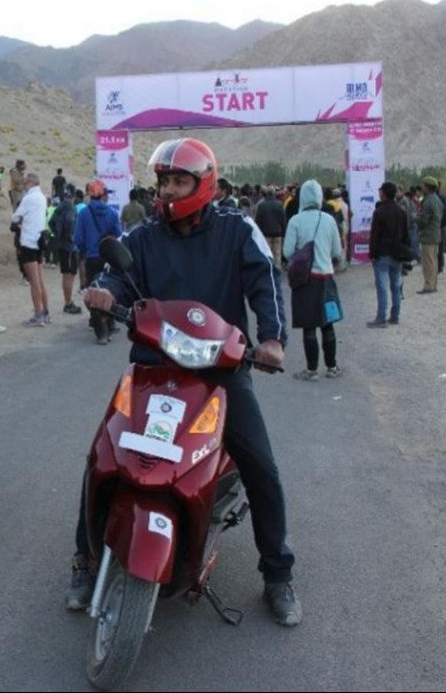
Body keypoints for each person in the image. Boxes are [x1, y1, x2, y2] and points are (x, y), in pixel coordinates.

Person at [71, 137, 300, 627]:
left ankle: (278, 574)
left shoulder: (238, 231)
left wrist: (272, 339)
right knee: (105, 455)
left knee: (261, 466)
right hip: (153, 366)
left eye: (179, 181)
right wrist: (103, 294)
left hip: (220, 373)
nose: (169, 191)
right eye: (163, 181)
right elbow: (117, 276)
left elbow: (265, 281)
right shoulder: (144, 236)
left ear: (205, 184)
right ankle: (84, 561)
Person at [283, 180, 343, 381]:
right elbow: (337, 251)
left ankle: (311, 370)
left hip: (305, 282)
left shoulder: (295, 221)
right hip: (326, 279)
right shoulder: (329, 219)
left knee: (309, 326)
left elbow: (287, 251)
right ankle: (332, 367)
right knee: (328, 324)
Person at [74, 180, 122, 343]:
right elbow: (119, 235)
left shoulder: (83, 214)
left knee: (94, 292)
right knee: (109, 290)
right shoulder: (112, 213)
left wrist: (87, 249)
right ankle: (109, 321)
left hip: (92, 258)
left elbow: (78, 239)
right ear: (102, 195)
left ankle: (101, 332)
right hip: (109, 258)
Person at [367, 182, 410, 328]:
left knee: (382, 287)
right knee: (396, 286)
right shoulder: (402, 211)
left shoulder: (379, 212)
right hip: (397, 253)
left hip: (382, 254)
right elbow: (406, 234)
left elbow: (374, 236)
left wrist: (372, 253)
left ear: (383, 193)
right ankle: (395, 316)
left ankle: (381, 318)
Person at [12, 172, 50, 327]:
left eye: (25, 182)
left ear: (30, 183)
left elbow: (15, 217)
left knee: (33, 281)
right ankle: (45, 312)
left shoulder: (28, 198)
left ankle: (38, 314)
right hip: (39, 239)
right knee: (40, 280)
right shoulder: (42, 197)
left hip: (28, 242)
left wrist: (18, 218)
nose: (24, 185)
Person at [48, 187, 81, 314]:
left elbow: (51, 222)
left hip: (62, 245)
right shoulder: (71, 208)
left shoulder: (60, 206)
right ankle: (68, 303)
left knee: (66, 274)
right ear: (74, 197)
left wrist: (58, 235)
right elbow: (70, 221)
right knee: (69, 275)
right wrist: (71, 237)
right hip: (69, 246)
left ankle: (68, 302)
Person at [416, 177, 443, 294]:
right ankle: (433, 284)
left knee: (428, 262)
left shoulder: (428, 201)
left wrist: (414, 218)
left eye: (423, 186)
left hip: (428, 235)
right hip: (436, 234)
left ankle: (428, 285)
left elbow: (423, 220)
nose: (422, 188)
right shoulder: (437, 200)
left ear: (427, 187)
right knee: (434, 261)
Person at [254, 187, 286, 266]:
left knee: (267, 254)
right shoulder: (280, 205)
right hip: (277, 233)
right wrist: (283, 232)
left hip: (265, 234)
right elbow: (283, 220)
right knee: (277, 254)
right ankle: (277, 272)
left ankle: (268, 270)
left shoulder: (261, 205)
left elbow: (258, 220)